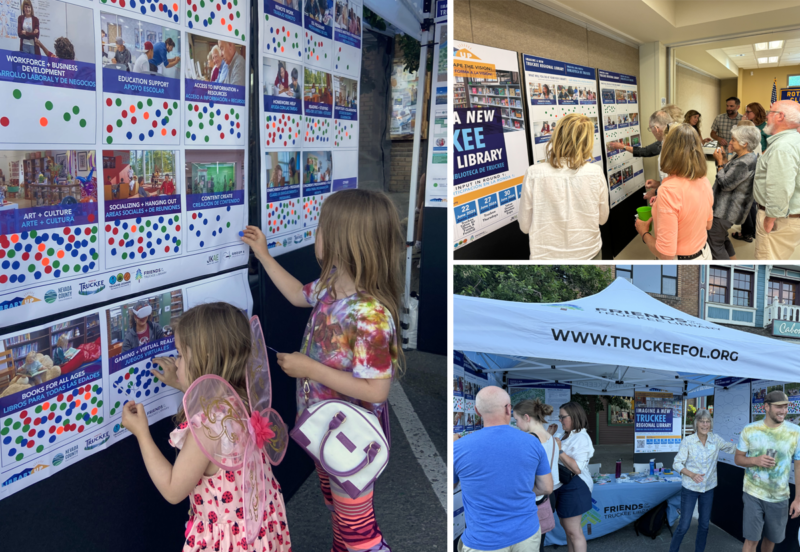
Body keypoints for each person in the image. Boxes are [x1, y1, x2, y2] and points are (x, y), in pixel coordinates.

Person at [240, 189, 405, 552]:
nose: (316, 235)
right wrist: (264, 256)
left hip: (351, 440)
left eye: (320, 228)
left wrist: (309, 368)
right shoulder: (330, 286)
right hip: (323, 431)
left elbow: (377, 390)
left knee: (360, 532)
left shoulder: (370, 314)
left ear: (342, 240)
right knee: (338, 513)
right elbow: (299, 294)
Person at [123, 303, 292, 551]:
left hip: (229, 539)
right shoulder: (241, 398)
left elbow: (172, 489)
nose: (176, 363)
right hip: (257, 524)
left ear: (205, 359)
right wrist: (182, 385)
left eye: (180, 354)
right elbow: (212, 399)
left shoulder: (206, 427)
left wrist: (142, 434)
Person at [452, 387, 553, 552]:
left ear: (477, 411)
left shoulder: (458, 447)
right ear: (508, 408)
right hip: (526, 534)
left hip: (483, 539)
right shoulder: (532, 442)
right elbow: (546, 487)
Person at [518, 113, 609, 260]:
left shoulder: (533, 174)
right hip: (588, 253)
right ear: (587, 142)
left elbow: (524, 226)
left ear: (557, 137)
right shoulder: (596, 173)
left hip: (546, 258)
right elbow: (602, 219)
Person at [635, 123, 714, 260]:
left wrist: (644, 233)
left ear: (668, 150)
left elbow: (666, 255)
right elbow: (708, 224)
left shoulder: (668, 191)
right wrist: (660, 205)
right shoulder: (704, 180)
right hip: (704, 254)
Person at [735, 391, 800, 552]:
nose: (783, 411)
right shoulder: (750, 430)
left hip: (780, 497)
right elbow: (738, 459)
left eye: (785, 406)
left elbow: (799, 466)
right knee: (751, 540)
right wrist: (754, 460)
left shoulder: (796, 432)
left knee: (771, 540)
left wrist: (798, 499)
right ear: (766, 407)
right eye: (779, 407)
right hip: (753, 493)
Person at [669, 409, 736, 552]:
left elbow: (732, 449)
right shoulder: (688, 441)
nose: (705, 424)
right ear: (696, 423)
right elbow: (676, 463)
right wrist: (691, 474)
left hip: (708, 488)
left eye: (707, 421)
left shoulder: (716, 440)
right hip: (690, 488)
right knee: (684, 525)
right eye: (702, 421)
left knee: (704, 525)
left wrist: (752, 445)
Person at [753, 100, 800, 260]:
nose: (766, 116)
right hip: (788, 216)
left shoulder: (783, 147)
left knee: (767, 260)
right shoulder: (794, 141)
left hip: (778, 220)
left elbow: (781, 186)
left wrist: (770, 219)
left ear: (780, 116)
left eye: (770, 112)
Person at [513, 399, 560, 552]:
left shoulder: (528, 441)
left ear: (527, 417)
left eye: (517, 420)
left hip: (531, 500)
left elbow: (521, 475)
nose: (516, 425)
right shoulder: (551, 438)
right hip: (547, 498)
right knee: (539, 544)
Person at [547, 402, 594, 552]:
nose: (560, 420)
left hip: (575, 485)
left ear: (574, 416)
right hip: (563, 484)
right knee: (568, 529)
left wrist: (560, 451)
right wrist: (549, 435)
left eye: (562, 417)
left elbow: (577, 468)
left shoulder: (581, 437)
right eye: (559, 417)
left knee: (574, 532)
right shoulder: (563, 435)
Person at [708, 124, 759, 259]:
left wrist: (719, 163)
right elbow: (730, 175)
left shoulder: (744, 163)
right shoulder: (744, 157)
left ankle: (725, 265)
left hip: (724, 211)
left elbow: (725, 183)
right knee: (722, 238)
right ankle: (733, 262)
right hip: (728, 210)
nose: (730, 142)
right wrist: (724, 160)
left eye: (733, 140)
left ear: (745, 143)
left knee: (715, 242)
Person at [608, 110, 672, 200]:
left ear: (656, 128)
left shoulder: (671, 146)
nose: (652, 132)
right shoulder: (669, 139)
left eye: (651, 129)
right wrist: (658, 183)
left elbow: (676, 184)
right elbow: (645, 151)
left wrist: (655, 191)